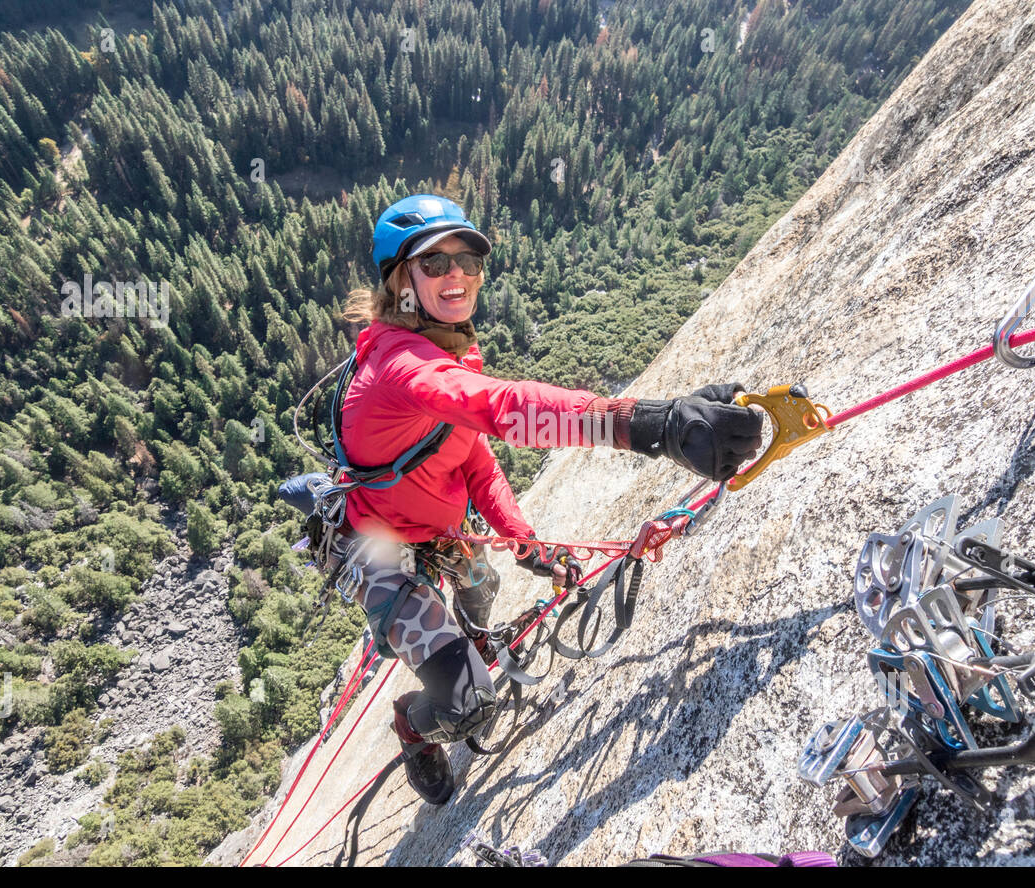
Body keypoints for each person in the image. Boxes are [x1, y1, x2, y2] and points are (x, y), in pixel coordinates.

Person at [287, 194, 762, 805]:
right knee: (468, 705)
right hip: (378, 552)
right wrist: (649, 424)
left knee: (482, 588)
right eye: (433, 263)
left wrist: (525, 542)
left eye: (467, 259)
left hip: (437, 532)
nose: (455, 273)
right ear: (399, 282)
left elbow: (474, 458)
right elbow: (505, 411)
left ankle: (469, 640)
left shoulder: (450, 352)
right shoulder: (402, 369)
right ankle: (413, 724)